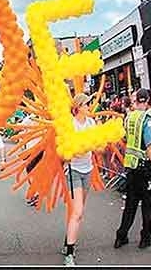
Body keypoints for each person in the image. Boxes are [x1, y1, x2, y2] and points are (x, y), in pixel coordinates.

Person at [115, 88, 151, 250]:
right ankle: (145, 238)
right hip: (144, 167)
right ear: (147, 101)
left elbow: (125, 137)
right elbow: (150, 146)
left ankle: (121, 236)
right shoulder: (146, 119)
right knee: (148, 204)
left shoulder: (130, 117)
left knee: (130, 205)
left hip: (131, 166)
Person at [60, 93, 96, 266]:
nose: (89, 106)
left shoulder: (91, 123)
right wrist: (75, 150)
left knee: (77, 212)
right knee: (78, 211)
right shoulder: (71, 125)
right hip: (73, 170)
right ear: (78, 107)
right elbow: (64, 151)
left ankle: (68, 241)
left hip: (88, 170)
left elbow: (98, 146)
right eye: (87, 104)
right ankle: (69, 253)